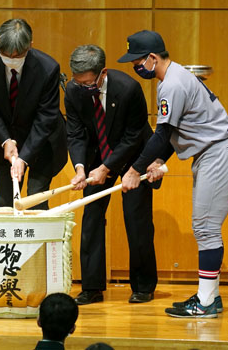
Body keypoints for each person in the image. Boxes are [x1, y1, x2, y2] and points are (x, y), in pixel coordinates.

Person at [119, 30, 228, 318]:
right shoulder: (177, 76)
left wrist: (134, 170)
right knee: (206, 227)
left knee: (205, 227)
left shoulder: (172, 84)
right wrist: (159, 160)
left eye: (137, 61)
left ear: (152, 58)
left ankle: (205, 302)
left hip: (218, 154)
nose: (135, 68)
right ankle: (209, 295)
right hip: (212, 153)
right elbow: (178, 130)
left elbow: (162, 133)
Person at [65, 44, 158, 305]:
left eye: (88, 83)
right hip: (96, 155)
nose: (82, 87)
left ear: (102, 73)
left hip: (134, 157)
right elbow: (75, 133)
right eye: (78, 81)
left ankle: (142, 285)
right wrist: (81, 167)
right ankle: (92, 287)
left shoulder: (128, 88)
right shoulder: (73, 90)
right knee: (91, 217)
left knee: (136, 219)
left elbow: (133, 135)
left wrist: (108, 168)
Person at [0, 18, 67, 210]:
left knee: (35, 202)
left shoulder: (48, 68)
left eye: (18, 56)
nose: (11, 60)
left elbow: (46, 117)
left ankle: (37, 241)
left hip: (42, 141)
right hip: (5, 141)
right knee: (6, 205)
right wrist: (5, 140)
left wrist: (24, 158)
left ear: (30, 46)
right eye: (6, 55)